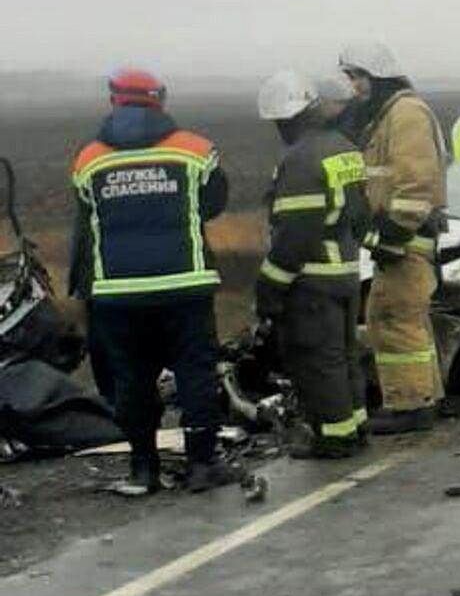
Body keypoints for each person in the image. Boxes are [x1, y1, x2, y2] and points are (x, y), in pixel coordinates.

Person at [68, 68, 231, 494]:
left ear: (114, 101)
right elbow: (214, 202)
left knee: (132, 380)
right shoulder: (196, 150)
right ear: (159, 100)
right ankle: (201, 464)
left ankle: (143, 468)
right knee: (195, 374)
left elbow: (86, 221)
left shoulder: (89, 159)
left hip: (118, 293)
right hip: (185, 284)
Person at [255, 71, 372, 458]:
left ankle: (334, 439)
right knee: (343, 357)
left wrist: (270, 288)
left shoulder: (301, 159)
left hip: (313, 279)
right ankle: (355, 428)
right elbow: (360, 216)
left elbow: (295, 236)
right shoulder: (343, 147)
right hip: (347, 273)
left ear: (286, 119)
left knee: (319, 362)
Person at [337, 42, 446, 435]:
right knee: (404, 319)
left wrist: (394, 233)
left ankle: (410, 404)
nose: (354, 87)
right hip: (401, 236)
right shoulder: (389, 113)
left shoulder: (406, 113)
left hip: (407, 237)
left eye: (357, 77)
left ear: (377, 75)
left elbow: (416, 181)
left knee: (392, 318)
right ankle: (425, 397)